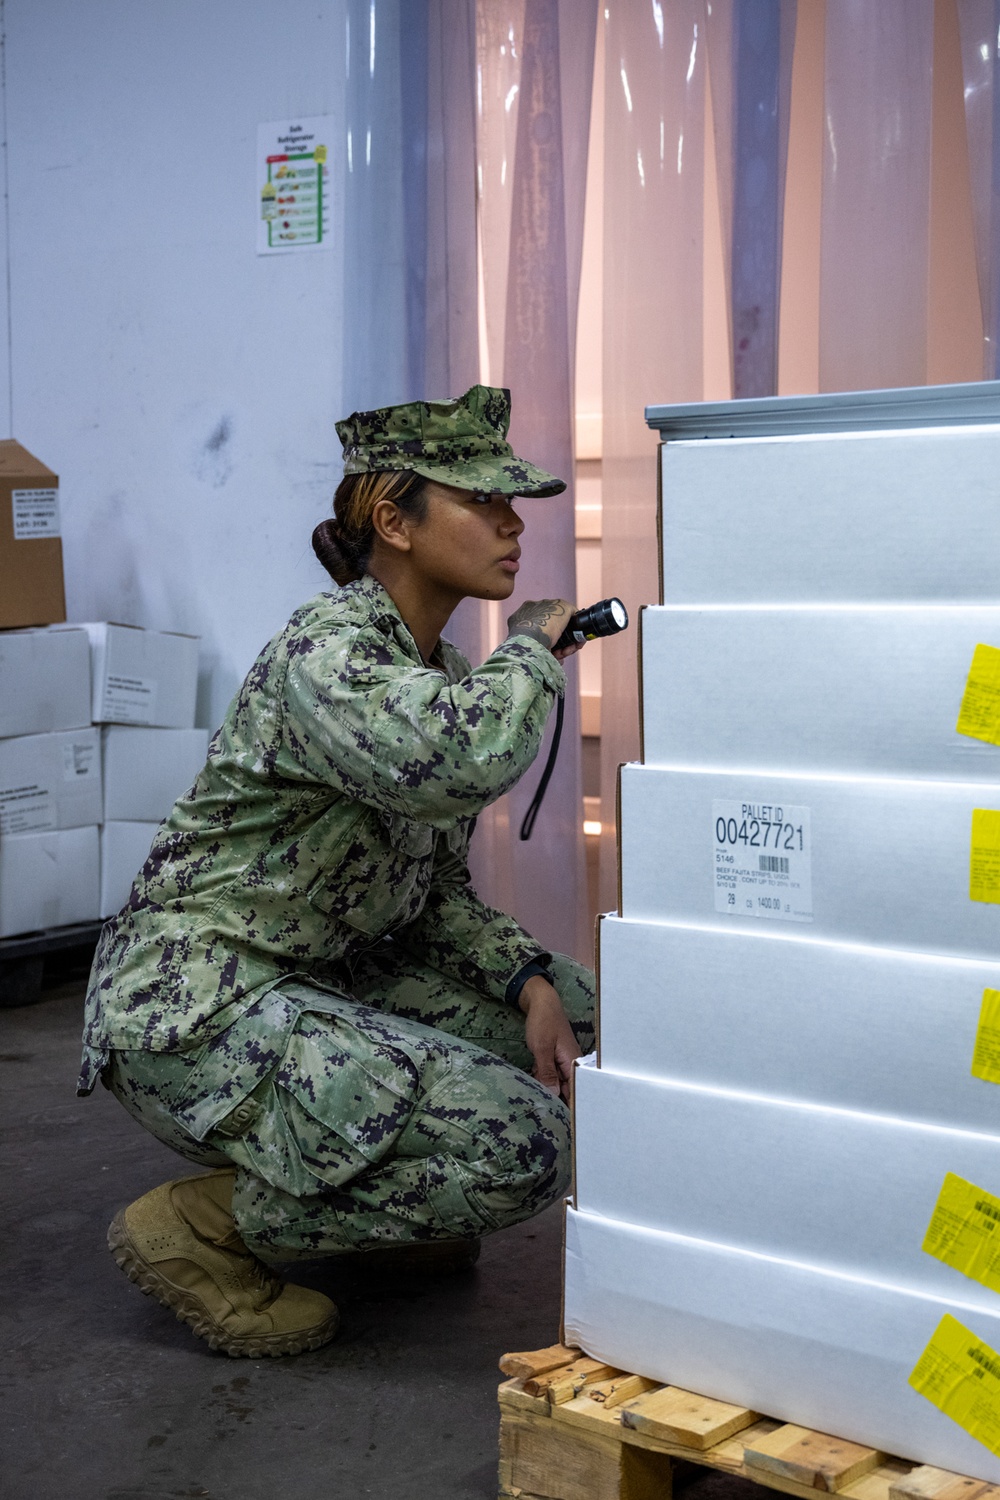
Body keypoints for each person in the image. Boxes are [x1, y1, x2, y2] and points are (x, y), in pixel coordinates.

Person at [78, 384, 596, 1358]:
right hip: (195, 1006)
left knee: (586, 1011)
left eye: (511, 501)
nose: (510, 523)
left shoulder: (426, 672)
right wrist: (529, 649)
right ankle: (210, 1227)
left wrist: (529, 982)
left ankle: (381, 1203)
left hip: (317, 976)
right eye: (479, 499)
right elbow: (464, 755)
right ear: (393, 521)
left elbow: (437, 899)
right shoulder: (331, 656)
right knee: (523, 1146)